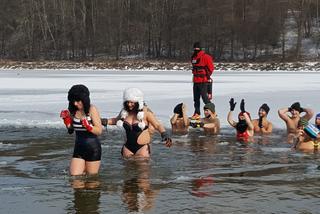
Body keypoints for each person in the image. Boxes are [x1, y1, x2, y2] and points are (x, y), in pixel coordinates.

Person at [107, 88, 172, 158]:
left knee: (142, 166)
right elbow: (116, 120)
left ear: (138, 102)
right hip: (127, 147)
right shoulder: (124, 112)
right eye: (127, 102)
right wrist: (101, 121)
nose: (129, 104)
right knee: (127, 167)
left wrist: (164, 134)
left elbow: (157, 125)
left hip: (142, 147)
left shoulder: (146, 112)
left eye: (132, 102)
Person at [60, 84, 103, 176]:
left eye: (78, 101)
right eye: (73, 101)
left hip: (93, 149)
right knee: (74, 177)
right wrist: (66, 121)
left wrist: (89, 127)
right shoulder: (73, 111)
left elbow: (99, 130)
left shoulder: (92, 109)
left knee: (92, 180)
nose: (75, 103)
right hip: (79, 148)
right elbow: (71, 130)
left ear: (84, 99)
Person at [191, 42, 214, 120]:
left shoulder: (206, 57)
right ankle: (197, 113)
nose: (195, 49)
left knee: (205, 98)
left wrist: (207, 77)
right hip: (195, 81)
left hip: (203, 81)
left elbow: (211, 68)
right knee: (196, 98)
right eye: (194, 48)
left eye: (197, 48)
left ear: (200, 48)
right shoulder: (193, 57)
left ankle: (212, 112)